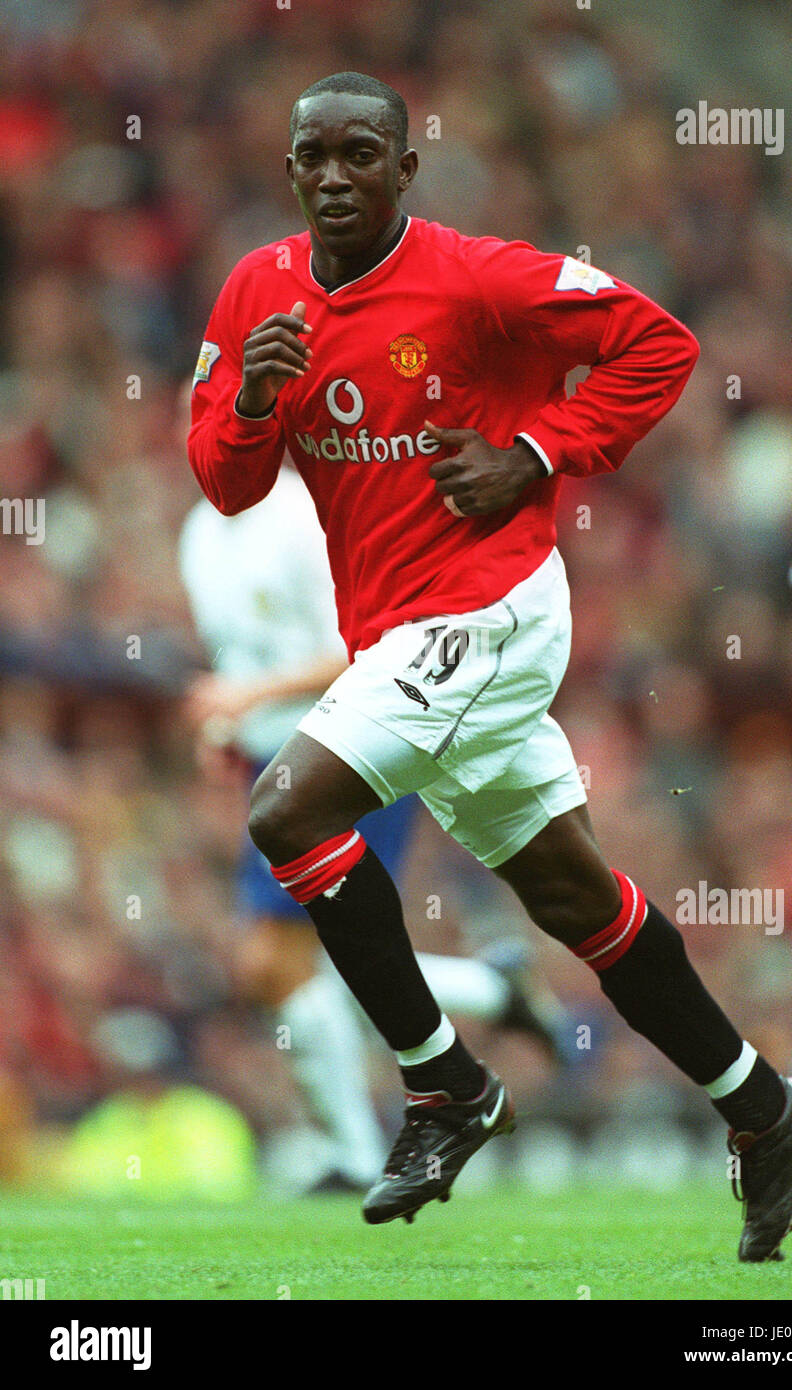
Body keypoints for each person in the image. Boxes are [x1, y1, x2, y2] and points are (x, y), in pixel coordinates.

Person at [188, 71, 792, 1260]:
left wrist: (536, 453)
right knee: (571, 897)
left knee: (286, 807)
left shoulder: (476, 276)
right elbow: (224, 483)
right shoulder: (255, 293)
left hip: (490, 603)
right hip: (402, 631)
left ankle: (443, 1086)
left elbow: (658, 344)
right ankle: (762, 1105)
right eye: (312, 158)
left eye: (358, 155)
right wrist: (251, 397)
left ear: (403, 168)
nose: (334, 176)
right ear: (290, 170)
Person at [179, 464, 566, 1190]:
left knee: (274, 964)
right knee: (314, 964)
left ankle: (355, 1155)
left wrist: (247, 693)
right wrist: (229, 722)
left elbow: (364, 649)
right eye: (190, 412)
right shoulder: (200, 531)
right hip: (276, 763)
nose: (201, 429)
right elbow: (241, 658)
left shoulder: (302, 519)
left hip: (351, 747)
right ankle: (492, 991)